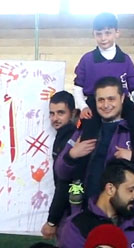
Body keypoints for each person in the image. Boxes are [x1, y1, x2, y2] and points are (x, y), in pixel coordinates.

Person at [56, 77, 134, 212]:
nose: (106, 105)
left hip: (127, 216)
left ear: (122, 98)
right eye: (101, 100)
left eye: (111, 99)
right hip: (87, 213)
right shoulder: (85, 129)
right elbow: (61, 172)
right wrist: (71, 155)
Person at [73, 13, 134, 120]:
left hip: (122, 102)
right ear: (93, 34)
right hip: (94, 104)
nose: (103, 38)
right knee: (89, 130)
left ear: (117, 33)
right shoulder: (87, 59)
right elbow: (78, 88)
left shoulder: (125, 59)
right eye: (99, 34)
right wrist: (83, 107)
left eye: (107, 33)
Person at [42, 91, 80, 240]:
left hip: (73, 208)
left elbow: (64, 182)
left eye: (60, 113)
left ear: (72, 113)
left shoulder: (70, 137)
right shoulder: (62, 135)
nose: (55, 118)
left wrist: (52, 221)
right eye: (52, 113)